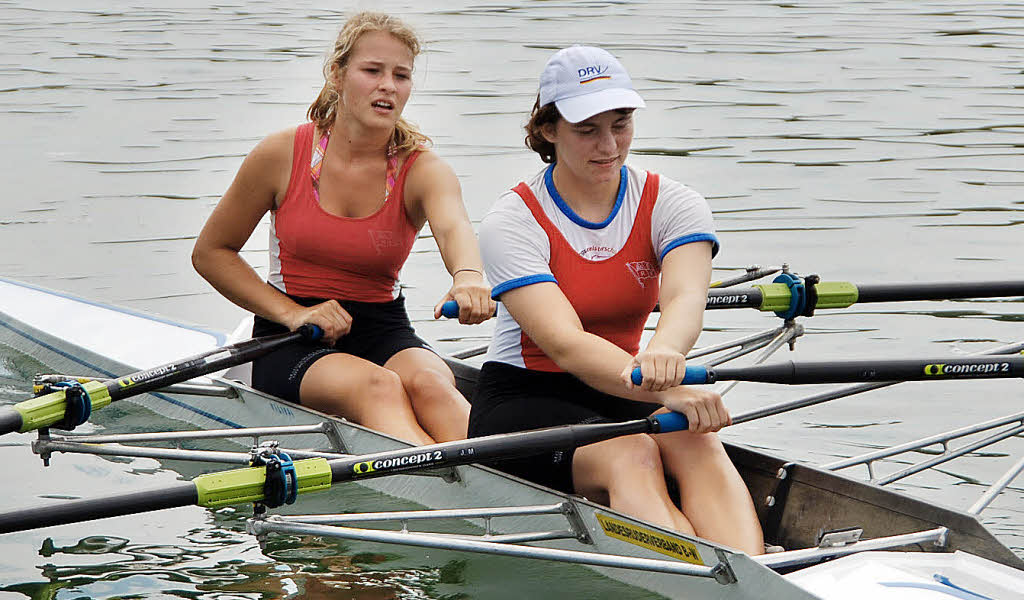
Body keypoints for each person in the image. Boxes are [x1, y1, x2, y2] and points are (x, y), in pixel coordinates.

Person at [469, 46, 764, 554]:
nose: (608, 145)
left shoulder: (672, 202)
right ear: (547, 129)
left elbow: (685, 298)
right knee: (632, 453)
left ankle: (753, 573)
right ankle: (706, 579)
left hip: (627, 384)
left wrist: (665, 355)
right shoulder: (512, 221)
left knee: (697, 436)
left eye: (621, 124)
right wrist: (662, 390)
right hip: (524, 400)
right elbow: (564, 343)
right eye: (587, 130)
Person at [192, 12, 494, 445]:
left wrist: (468, 279)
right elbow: (211, 253)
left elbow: (454, 228)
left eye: (401, 75)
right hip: (291, 336)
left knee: (433, 384)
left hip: (383, 329)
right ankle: (462, 494)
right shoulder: (281, 154)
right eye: (372, 71)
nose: (388, 85)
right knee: (378, 387)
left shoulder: (424, 170)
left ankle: (515, 483)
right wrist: (293, 313)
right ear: (337, 74)